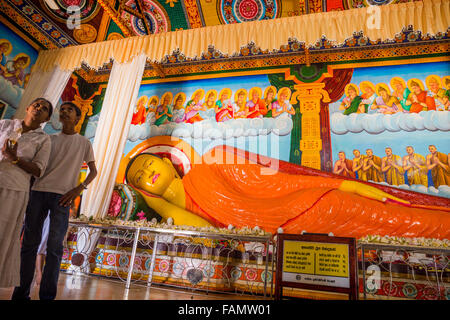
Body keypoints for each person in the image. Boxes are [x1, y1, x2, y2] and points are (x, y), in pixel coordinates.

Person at [123, 148, 449, 240]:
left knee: (395, 218)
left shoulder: (210, 163)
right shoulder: (176, 214)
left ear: (168, 160)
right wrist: (159, 203)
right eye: (139, 177)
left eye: (148, 163)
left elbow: (278, 184)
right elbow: (206, 232)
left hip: (309, 208)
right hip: (281, 234)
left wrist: (339, 184)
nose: (145, 172)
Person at [12, 101, 97, 300]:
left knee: (55, 248)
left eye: (70, 110)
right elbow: (37, 167)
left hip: (63, 197)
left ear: (78, 118)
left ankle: (47, 295)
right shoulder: (49, 139)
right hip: (38, 192)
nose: (65, 112)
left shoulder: (84, 143)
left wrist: (78, 190)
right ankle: (20, 293)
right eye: (62, 110)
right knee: (29, 245)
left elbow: (93, 172)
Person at [0, 97, 52, 288]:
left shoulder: (43, 139)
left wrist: (15, 159)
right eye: (36, 104)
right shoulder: (5, 124)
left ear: (47, 118)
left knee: (2, 235)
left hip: (14, 189)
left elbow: (39, 170)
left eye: (44, 108)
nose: (39, 108)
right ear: (28, 107)